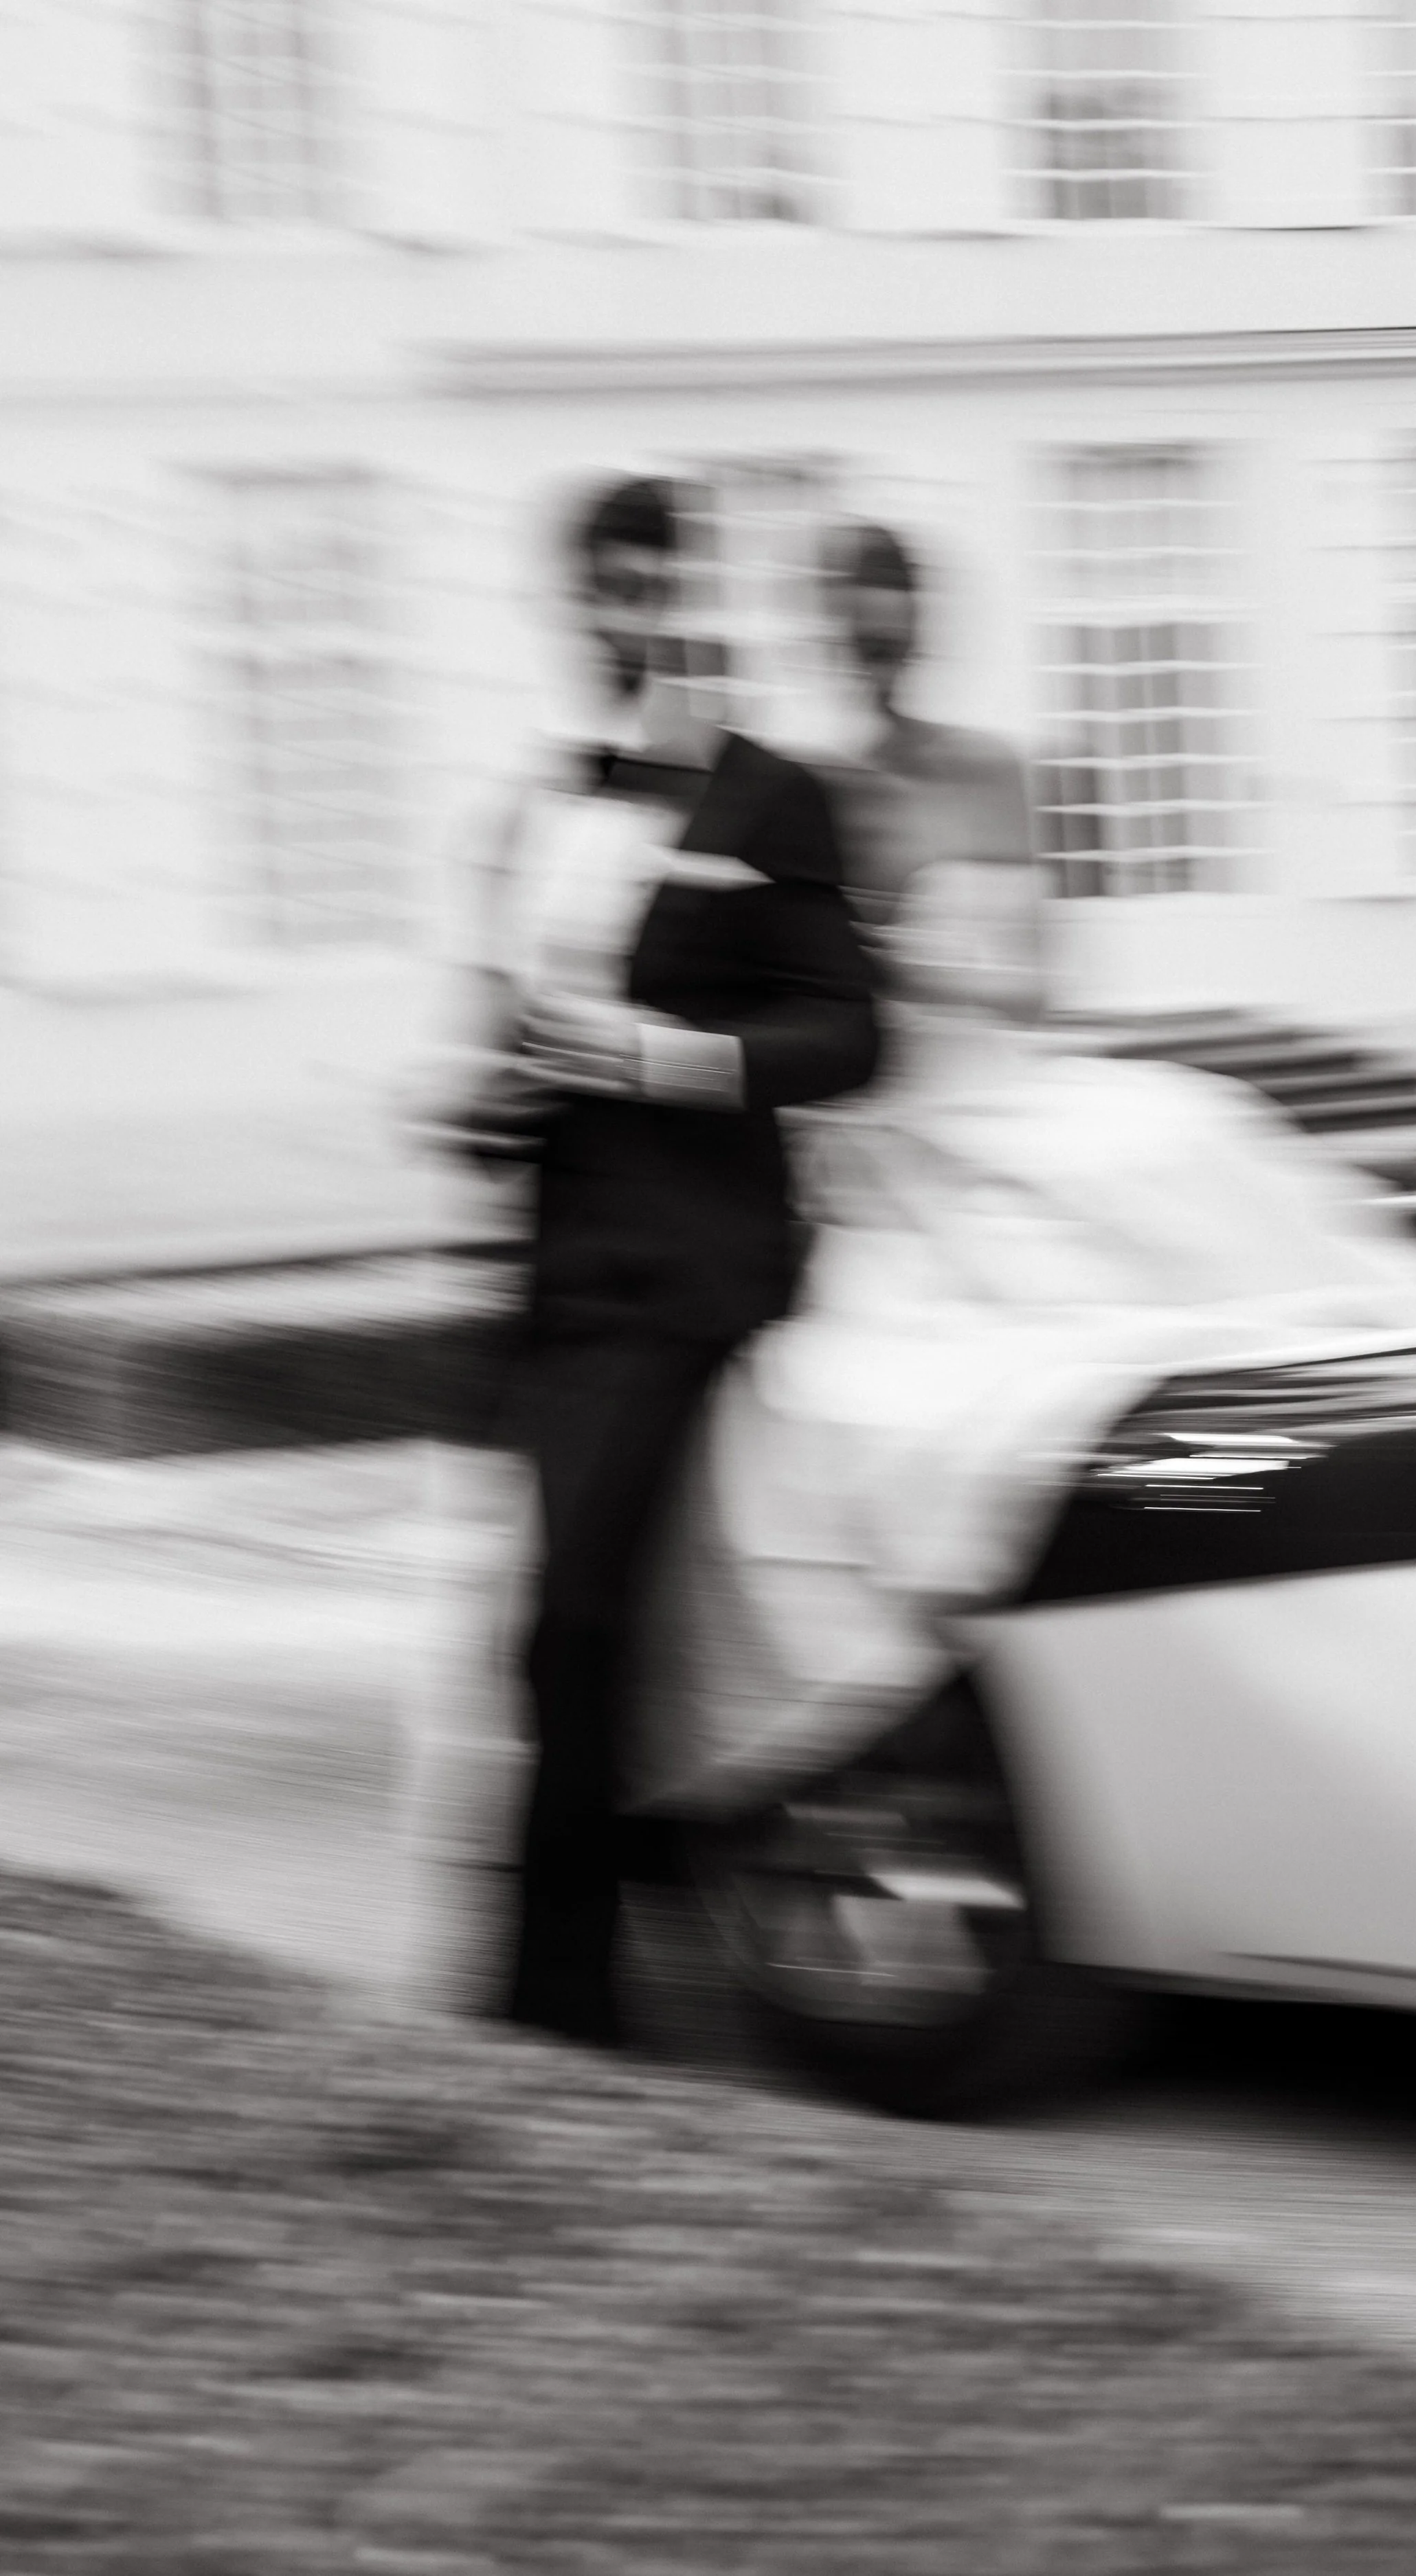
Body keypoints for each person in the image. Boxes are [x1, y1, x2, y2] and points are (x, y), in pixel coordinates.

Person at [626, 521, 1416, 1817]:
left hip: (1011, 1065)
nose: (875, 638)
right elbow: (800, 994)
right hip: (899, 1104)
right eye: (853, 615)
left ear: (923, 622)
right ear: (823, 628)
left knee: (1174, 1135)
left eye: (894, 612)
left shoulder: (994, 768)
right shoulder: (797, 786)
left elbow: (1041, 964)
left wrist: (986, 973)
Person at [431, 476, 879, 2045]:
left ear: (695, 597)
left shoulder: (774, 797)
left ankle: (551, 2005)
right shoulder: (527, 811)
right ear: (573, 605)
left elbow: (850, 1034)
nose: (628, 616)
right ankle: (617, 1956)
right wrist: (484, 1104)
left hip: (692, 1269)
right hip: (558, 1276)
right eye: (604, 590)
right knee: (559, 1627)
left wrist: (659, 1058)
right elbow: (506, 1043)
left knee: (572, 1619)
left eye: (652, 587)